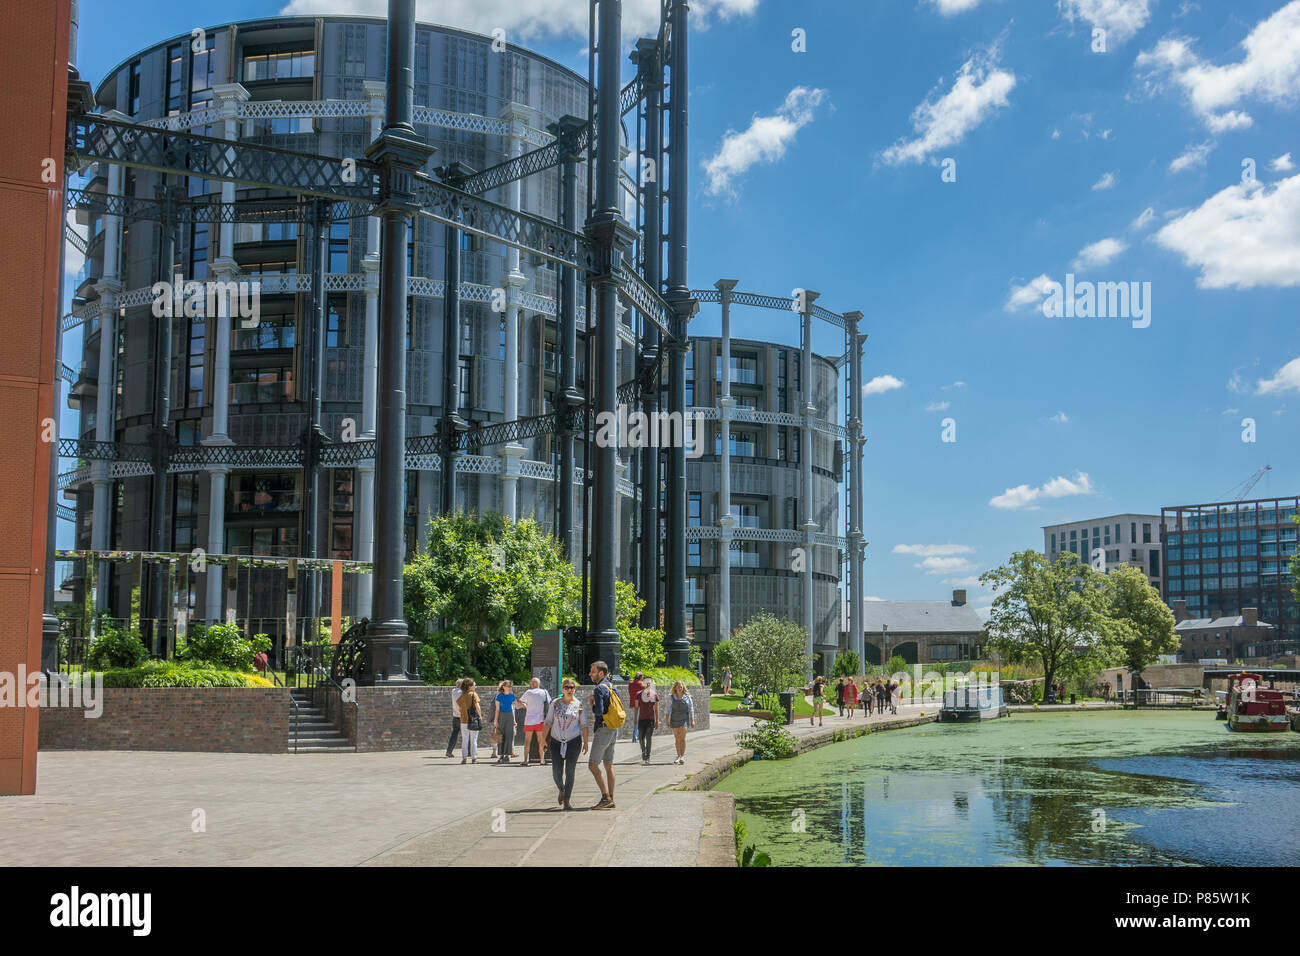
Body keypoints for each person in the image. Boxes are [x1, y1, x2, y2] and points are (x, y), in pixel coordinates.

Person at [545, 678, 589, 810]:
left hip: (573, 742)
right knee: (556, 772)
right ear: (562, 689)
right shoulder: (555, 703)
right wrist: (542, 740)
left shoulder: (579, 705)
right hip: (556, 742)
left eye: (572, 687)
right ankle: (561, 789)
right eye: (567, 687)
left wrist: (586, 742)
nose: (569, 689)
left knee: (570, 771)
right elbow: (548, 722)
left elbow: (584, 725)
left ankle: (567, 800)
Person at [587, 660, 618, 809]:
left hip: (603, 728)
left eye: (592, 671)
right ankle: (611, 798)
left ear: (601, 673)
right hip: (613, 728)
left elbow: (599, 711)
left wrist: (592, 704)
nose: (590, 674)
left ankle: (605, 797)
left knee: (593, 765)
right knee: (608, 764)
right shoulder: (611, 686)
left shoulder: (599, 688)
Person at [518, 677, 551, 767]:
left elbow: (520, 701)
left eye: (531, 683)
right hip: (540, 720)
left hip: (529, 720)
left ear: (532, 684)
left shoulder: (528, 692)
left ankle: (525, 760)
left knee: (527, 741)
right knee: (540, 740)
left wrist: (525, 705)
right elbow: (549, 702)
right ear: (539, 684)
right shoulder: (544, 692)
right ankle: (542, 760)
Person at [666, 680, 695, 764]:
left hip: (684, 720)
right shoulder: (671, 697)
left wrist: (692, 720)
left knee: (682, 738)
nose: (679, 688)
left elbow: (691, 709)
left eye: (681, 686)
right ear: (675, 688)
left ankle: (682, 756)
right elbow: (668, 710)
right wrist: (666, 720)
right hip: (674, 719)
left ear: (683, 687)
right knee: (677, 738)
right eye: (678, 686)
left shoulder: (687, 697)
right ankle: (678, 756)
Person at [457, 679, 482, 764]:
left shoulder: (462, 695)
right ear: (469, 686)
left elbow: (459, 709)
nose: (475, 686)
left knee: (464, 740)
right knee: (473, 740)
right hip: (473, 720)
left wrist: (464, 713)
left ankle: (464, 758)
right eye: (474, 685)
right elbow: (477, 707)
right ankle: (474, 758)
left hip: (463, 720)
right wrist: (480, 716)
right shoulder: (474, 694)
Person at [492, 679, 517, 763]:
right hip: (501, 716)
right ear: (503, 687)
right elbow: (497, 710)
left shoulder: (512, 695)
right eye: (508, 686)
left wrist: (514, 720)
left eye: (510, 686)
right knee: (501, 736)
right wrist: (495, 721)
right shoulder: (499, 696)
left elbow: (515, 707)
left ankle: (507, 755)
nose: (510, 688)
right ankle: (501, 755)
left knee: (509, 736)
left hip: (510, 716)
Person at [637, 677, 660, 764]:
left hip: (650, 719)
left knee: (648, 738)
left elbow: (656, 709)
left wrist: (657, 721)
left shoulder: (655, 695)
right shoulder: (638, 694)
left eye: (650, 683)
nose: (648, 684)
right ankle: (643, 752)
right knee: (640, 738)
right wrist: (635, 719)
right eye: (647, 683)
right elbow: (636, 708)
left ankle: (648, 756)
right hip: (641, 719)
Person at [445, 676, 465, 757]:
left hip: (455, 716)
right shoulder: (462, 692)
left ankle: (449, 751)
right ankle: (470, 752)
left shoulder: (453, 691)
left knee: (454, 734)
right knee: (467, 734)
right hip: (463, 716)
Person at [628, 672, 645, 742]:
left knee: (636, 720)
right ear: (641, 677)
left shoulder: (630, 683)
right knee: (638, 721)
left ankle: (635, 737)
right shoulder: (641, 683)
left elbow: (630, 692)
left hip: (633, 703)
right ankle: (636, 737)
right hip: (640, 704)